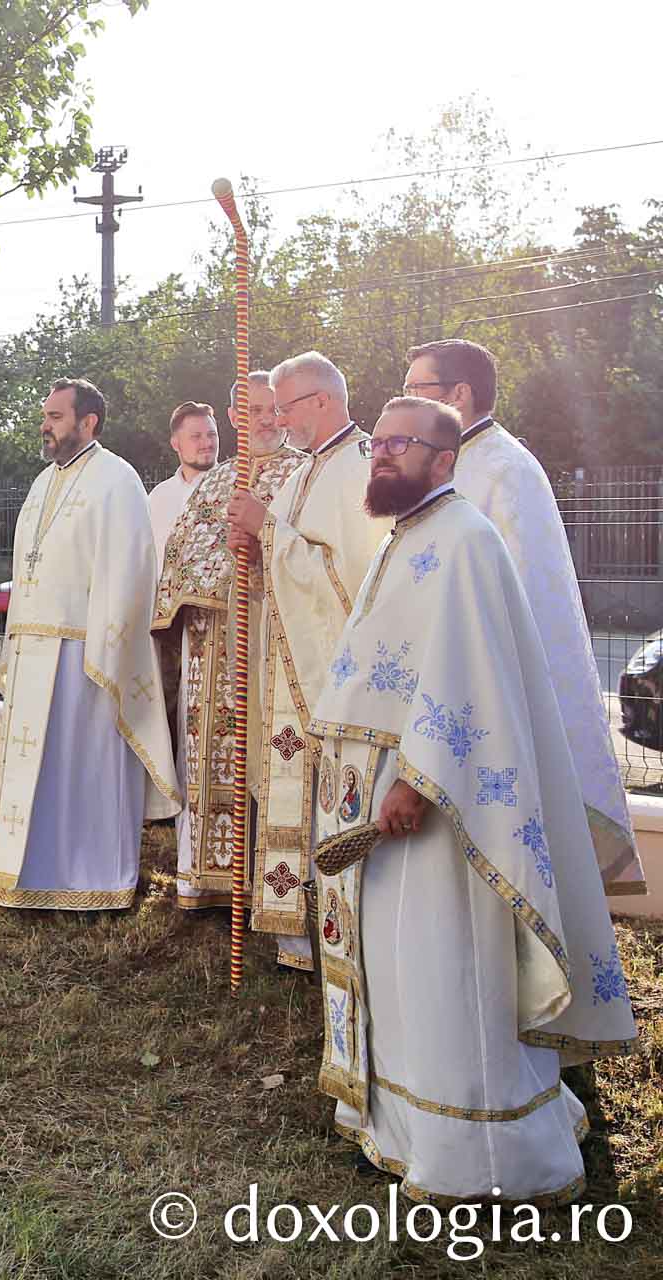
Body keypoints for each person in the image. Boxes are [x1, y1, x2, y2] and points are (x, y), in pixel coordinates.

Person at [307, 396, 636, 1203]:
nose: (382, 455)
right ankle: (401, 1126)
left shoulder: (465, 541)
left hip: (434, 810)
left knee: (446, 967)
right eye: (378, 443)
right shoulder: (410, 534)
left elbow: (474, 681)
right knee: (401, 969)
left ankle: (481, 1158)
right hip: (381, 800)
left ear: (444, 459)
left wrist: (416, 785)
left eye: (401, 445)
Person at [403, 338, 644, 898]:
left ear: (459, 394)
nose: (407, 399)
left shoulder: (506, 469)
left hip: (495, 678)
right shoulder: (456, 461)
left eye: (417, 388)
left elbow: (526, 595)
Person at [0, 378, 180, 912]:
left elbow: (129, 571)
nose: (44, 425)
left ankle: (99, 878)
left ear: (87, 422)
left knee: (86, 769)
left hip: (87, 654)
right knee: (41, 772)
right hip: (35, 653)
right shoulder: (43, 482)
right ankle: (35, 875)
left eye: (54, 416)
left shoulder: (117, 479)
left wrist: (107, 651)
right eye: (45, 415)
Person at [225, 351, 387, 965]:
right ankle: (299, 933)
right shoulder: (302, 474)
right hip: (287, 675)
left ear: (322, 400)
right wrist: (257, 542)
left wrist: (269, 532)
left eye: (287, 407)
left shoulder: (364, 469)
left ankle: (342, 934)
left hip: (333, 678)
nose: (280, 420)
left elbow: (352, 584)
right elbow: (286, 559)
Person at [152, 372, 304, 916]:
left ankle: (274, 886)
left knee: (271, 758)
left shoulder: (301, 474)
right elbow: (180, 554)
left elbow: (306, 555)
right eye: (254, 410)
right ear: (236, 416)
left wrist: (259, 550)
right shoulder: (215, 483)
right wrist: (214, 581)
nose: (265, 419)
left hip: (271, 643)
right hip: (210, 648)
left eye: (273, 409)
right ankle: (211, 881)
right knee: (209, 759)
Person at [147, 401, 219, 557]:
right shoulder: (158, 497)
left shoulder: (236, 489)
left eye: (211, 435)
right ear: (175, 444)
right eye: (196, 437)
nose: (207, 443)